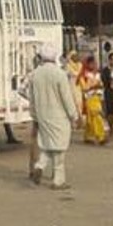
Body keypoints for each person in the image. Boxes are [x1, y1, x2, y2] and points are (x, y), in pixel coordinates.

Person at [25, 44, 80, 190]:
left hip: (43, 115)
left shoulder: (35, 74)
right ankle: (58, 180)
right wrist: (74, 115)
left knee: (48, 145)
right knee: (60, 148)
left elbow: (31, 98)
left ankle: (39, 166)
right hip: (59, 116)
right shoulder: (59, 74)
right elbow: (66, 97)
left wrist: (35, 115)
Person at [79, 55, 106, 145]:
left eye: (94, 63)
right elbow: (84, 88)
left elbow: (101, 84)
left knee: (91, 118)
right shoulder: (84, 75)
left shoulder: (98, 74)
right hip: (89, 98)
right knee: (96, 116)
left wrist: (99, 86)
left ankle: (88, 136)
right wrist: (93, 86)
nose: (94, 65)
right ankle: (101, 136)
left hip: (97, 97)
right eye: (92, 63)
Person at [100, 52, 113, 132]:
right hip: (108, 92)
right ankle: (111, 127)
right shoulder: (105, 70)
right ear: (109, 60)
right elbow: (104, 80)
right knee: (109, 110)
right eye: (112, 59)